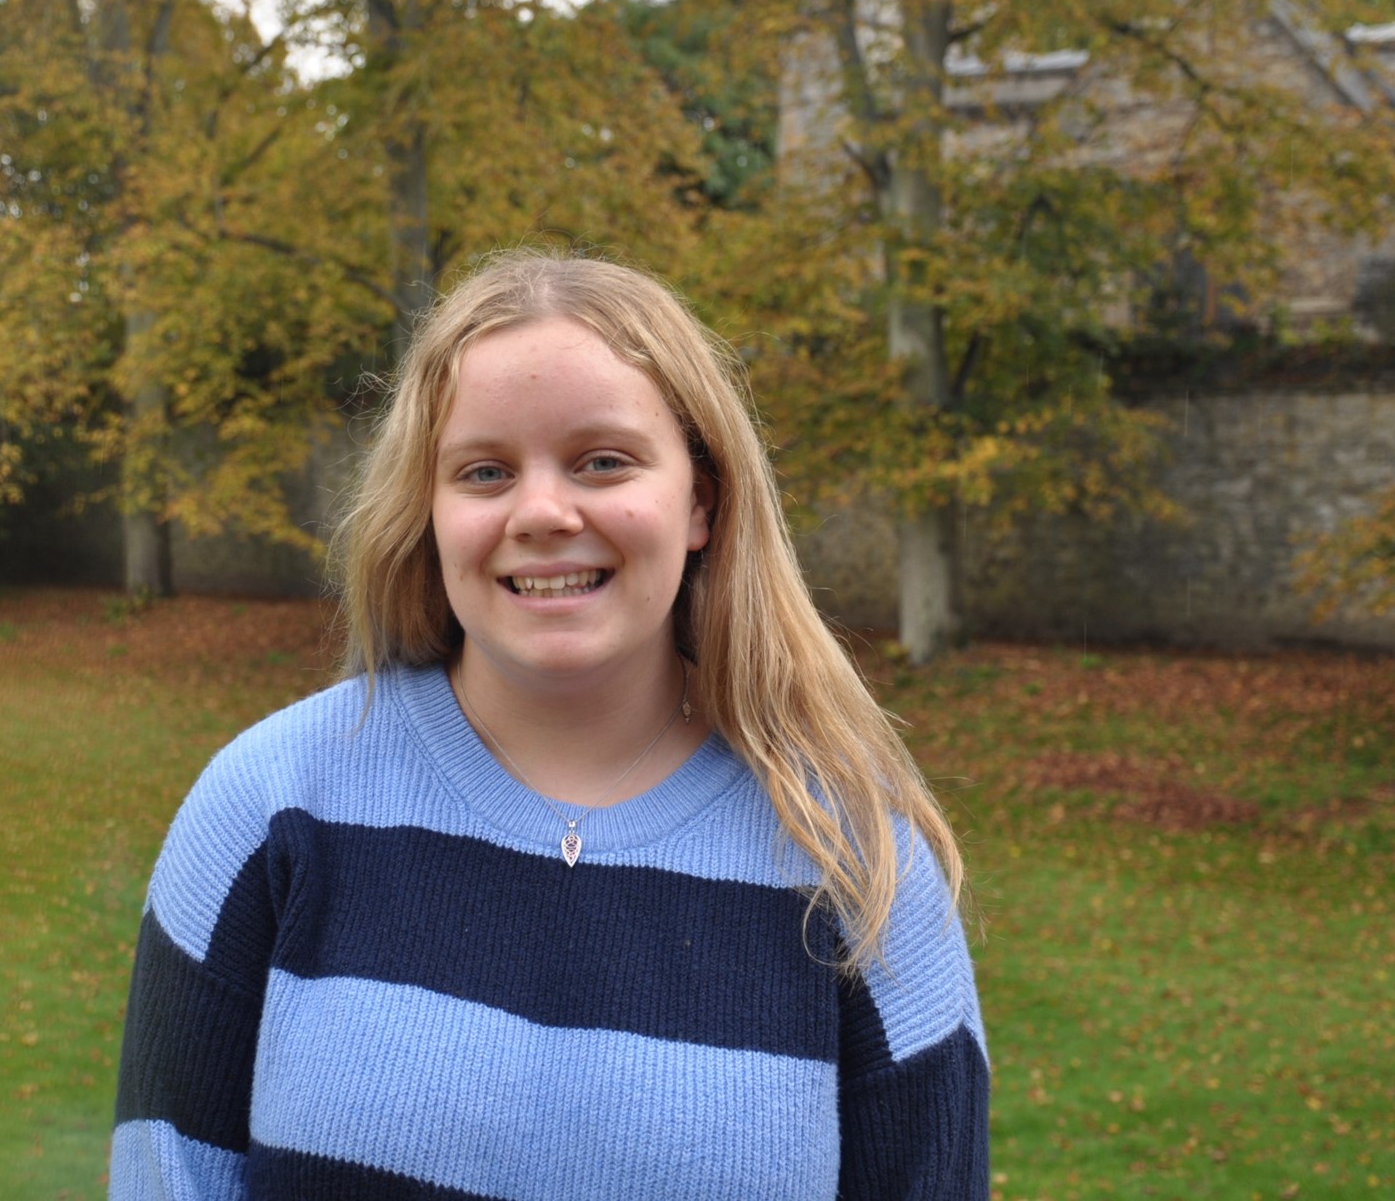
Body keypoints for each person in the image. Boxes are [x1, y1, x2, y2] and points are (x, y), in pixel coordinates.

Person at [108, 250, 988, 1200]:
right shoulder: (267, 810)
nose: (541, 511)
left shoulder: (858, 862)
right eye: (483, 471)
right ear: (429, 511)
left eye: (602, 461)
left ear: (700, 499)